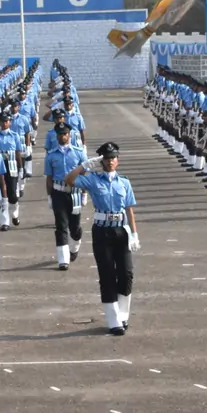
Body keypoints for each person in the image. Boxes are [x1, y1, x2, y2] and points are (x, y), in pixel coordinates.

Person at [65, 142, 139, 335]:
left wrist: (134, 233)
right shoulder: (93, 180)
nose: (110, 161)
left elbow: (129, 209)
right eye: (106, 159)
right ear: (102, 161)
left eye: (113, 158)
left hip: (121, 231)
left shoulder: (124, 182)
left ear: (118, 160)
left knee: (126, 273)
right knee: (107, 275)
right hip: (102, 232)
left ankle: (123, 315)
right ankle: (114, 320)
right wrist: (86, 165)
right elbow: (69, 179)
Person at [44, 123, 87, 270]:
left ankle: (75, 245)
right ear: (56, 136)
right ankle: (63, 259)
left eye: (65, 134)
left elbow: (84, 174)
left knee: (74, 227)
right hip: (58, 192)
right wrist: (49, 196)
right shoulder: (51, 155)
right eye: (60, 134)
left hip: (75, 192)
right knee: (61, 225)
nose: (63, 136)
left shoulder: (79, 152)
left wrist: (84, 193)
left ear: (69, 135)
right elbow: (49, 178)